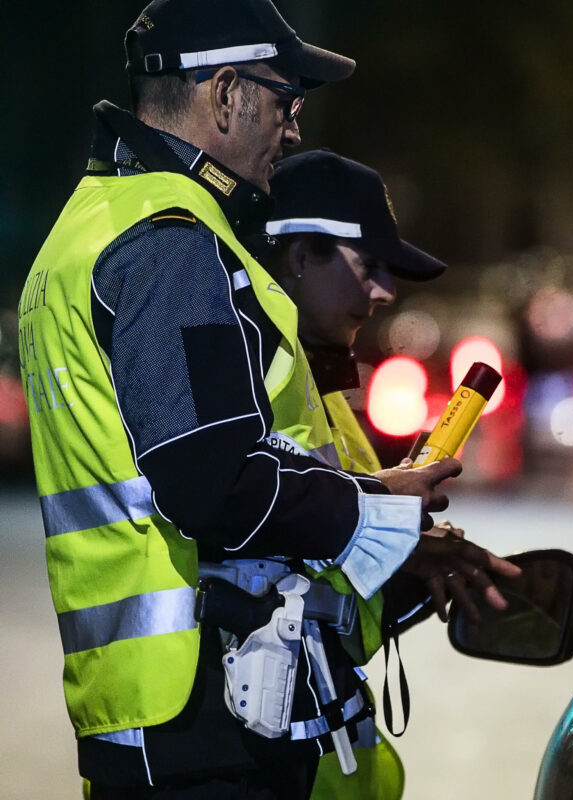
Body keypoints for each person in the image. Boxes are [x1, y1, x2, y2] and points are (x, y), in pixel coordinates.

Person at [17, 1, 518, 797]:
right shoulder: (170, 241)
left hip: (149, 706)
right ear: (225, 93)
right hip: (200, 710)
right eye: (286, 101)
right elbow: (212, 478)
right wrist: (378, 506)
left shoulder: (85, 231)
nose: (292, 130)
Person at [259, 148, 465, 798]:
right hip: (268, 744)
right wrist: (381, 503)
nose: (385, 292)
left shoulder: (317, 378)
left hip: (316, 735)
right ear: (297, 258)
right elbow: (252, 534)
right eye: (367, 266)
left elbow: (322, 574)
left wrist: (408, 553)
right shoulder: (252, 371)